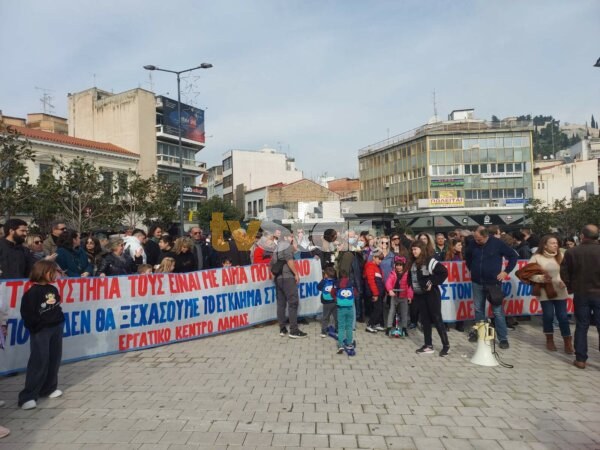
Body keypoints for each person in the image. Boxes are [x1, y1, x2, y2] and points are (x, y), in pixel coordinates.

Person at [18, 260, 64, 410]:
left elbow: (56, 306)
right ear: (44, 273)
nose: (57, 274)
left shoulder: (53, 289)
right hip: (41, 331)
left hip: (55, 328)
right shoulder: (32, 293)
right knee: (39, 361)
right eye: (53, 271)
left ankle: (49, 388)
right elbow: (27, 313)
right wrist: (37, 326)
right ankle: (28, 396)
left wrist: (59, 319)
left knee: (54, 359)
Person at [465, 227, 518, 349]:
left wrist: (506, 272)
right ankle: (481, 334)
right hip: (477, 282)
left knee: (497, 311)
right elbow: (467, 256)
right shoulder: (473, 243)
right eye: (475, 239)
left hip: (493, 283)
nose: (476, 242)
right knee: (478, 310)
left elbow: (513, 256)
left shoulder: (497, 243)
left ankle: (503, 338)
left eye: (479, 239)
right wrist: (472, 268)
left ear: (486, 236)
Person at [560, 224, 600, 369]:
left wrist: (570, 287)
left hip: (581, 293)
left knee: (582, 326)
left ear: (582, 236)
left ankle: (581, 359)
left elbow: (564, 272)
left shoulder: (572, 252)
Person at [524, 235, 573, 354]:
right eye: (552, 243)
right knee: (548, 316)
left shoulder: (562, 255)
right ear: (545, 245)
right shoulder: (536, 257)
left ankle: (567, 342)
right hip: (545, 291)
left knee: (562, 317)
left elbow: (569, 272)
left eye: (556, 243)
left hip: (560, 290)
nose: (555, 245)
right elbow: (527, 273)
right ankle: (549, 340)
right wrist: (541, 278)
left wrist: (565, 281)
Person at [408, 241, 450, 356]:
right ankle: (428, 345)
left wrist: (432, 282)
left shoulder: (430, 261)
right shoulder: (412, 263)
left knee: (437, 319)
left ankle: (446, 346)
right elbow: (410, 277)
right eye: (412, 249)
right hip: (419, 295)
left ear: (421, 249)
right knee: (425, 320)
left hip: (432, 295)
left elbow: (443, 272)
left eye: (416, 249)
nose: (414, 251)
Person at [269, 232, 307, 338]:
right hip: (288, 278)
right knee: (293, 303)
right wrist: (296, 274)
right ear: (286, 237)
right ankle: (294, 330)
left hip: (278, 279)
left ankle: (282, 328)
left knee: (281, 304)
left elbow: (271, 264)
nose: (292, 238)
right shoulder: (287, 247)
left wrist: (272, 275)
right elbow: (290, 261)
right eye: (291, 236)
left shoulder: (276, 249)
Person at [385, 256, 413, 337]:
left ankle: (404, 328)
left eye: (400, 265)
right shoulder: (393, 273)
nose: (398, 267)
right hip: (395, 296)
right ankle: (389, 327)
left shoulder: (407, 274)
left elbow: (409, 286)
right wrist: (390, 290)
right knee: (391, 312)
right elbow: (388, 282)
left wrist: (409, 296)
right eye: (397, 265)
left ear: (403, 266)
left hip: (404, 296)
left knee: (404, 313)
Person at [333, 272, 356, 353]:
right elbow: (355, 294)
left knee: (341, 327)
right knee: (349, 326)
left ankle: (340, 344)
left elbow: (332, 293)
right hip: (350, 308)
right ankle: (349, 343)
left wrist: (336, 299)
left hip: (340, 308)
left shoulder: (337, 284)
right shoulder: (351, 284)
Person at [364, 249, 386, 333]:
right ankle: (370, 325)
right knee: (377, 309)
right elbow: (371, 281)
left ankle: (377, 324)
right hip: (375, 293)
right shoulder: (370, 266)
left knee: (379, 309)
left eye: (381, 259)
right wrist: (375, 294)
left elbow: (380, 281)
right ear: (374, 257)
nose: (380, 261)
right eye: (379, 259)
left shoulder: (377, 267)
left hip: (379, 292)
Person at [317, 266, 337, 338]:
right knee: (336, 317)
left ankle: (324, 332)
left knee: (325, 317)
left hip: (326, 302)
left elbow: (318, 287)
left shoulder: (323, 281)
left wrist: (322, 280)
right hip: (335, 302)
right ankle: (337, 330)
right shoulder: (335, 281)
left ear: (325, 274)